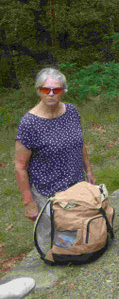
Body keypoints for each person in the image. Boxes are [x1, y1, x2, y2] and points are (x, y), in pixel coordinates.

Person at [14, 68, 95, 251]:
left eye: (56, 90)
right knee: (51, 244)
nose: (51, 94)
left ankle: (72, 260)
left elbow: (80, 143)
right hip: (47, 193)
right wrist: (29, 202)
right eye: (46, 89)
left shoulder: (71, 111)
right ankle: (54, 266)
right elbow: (20, 166)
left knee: (74, 235)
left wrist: (89, 171)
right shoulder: (29, 123)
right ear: (38, 90)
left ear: (63, 91)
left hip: (75, 188)